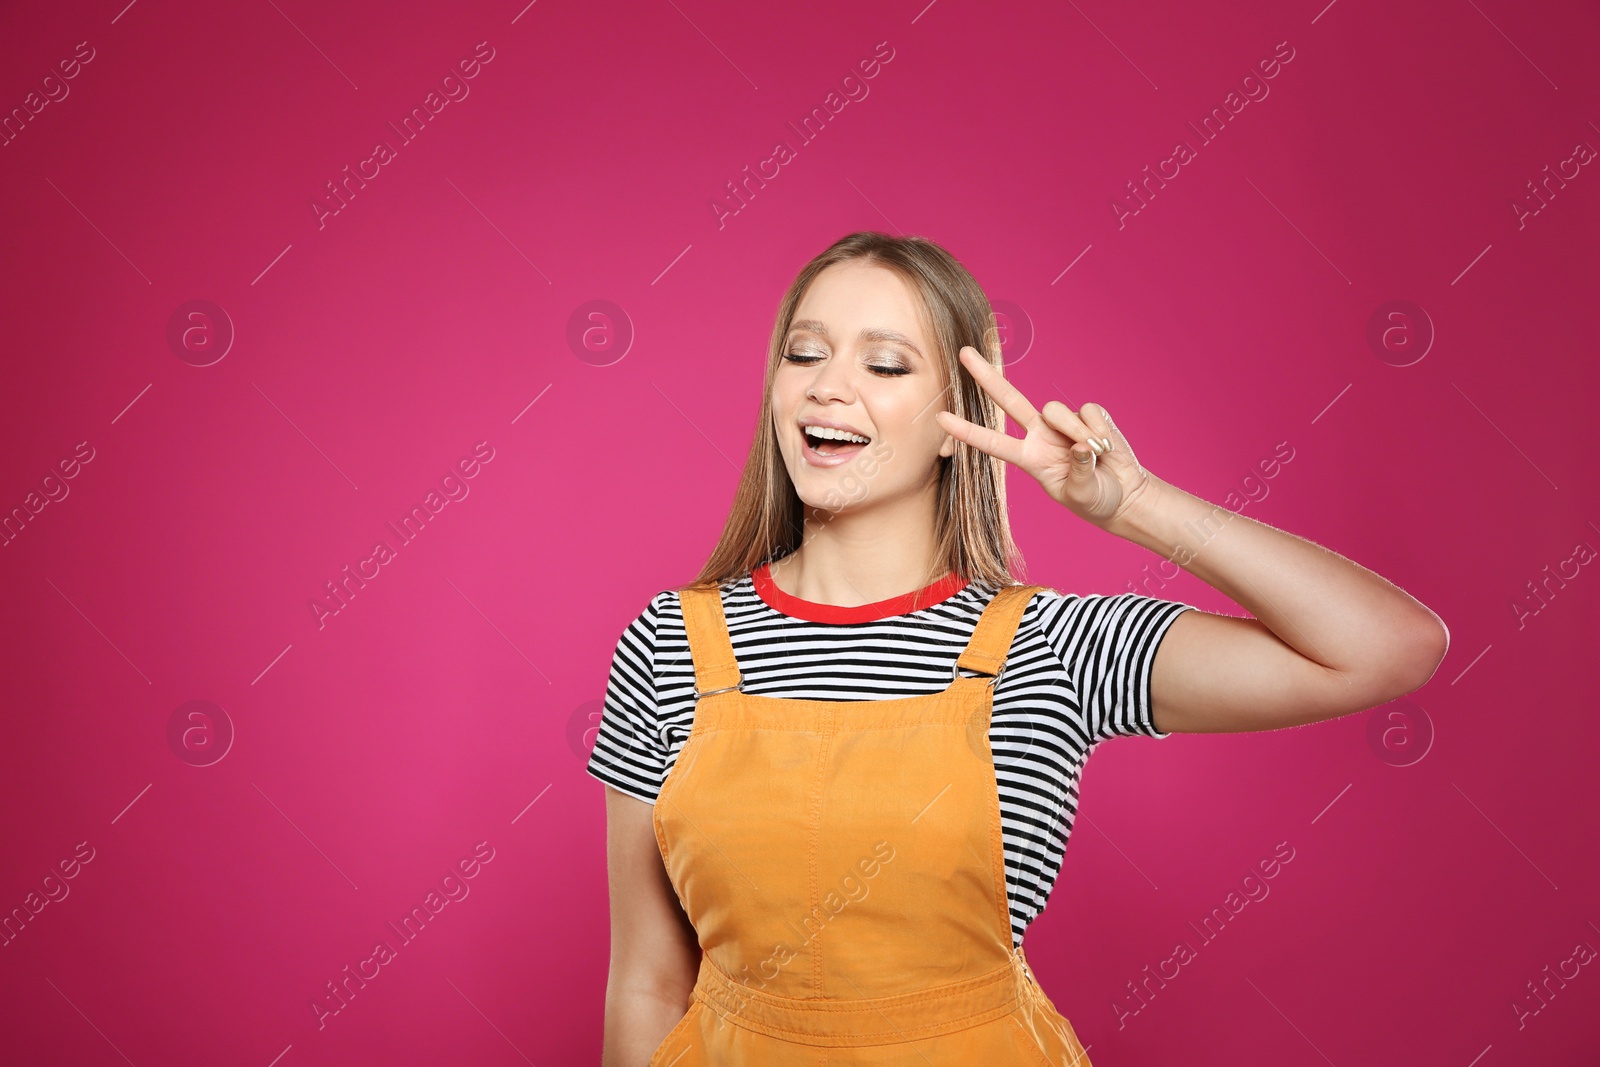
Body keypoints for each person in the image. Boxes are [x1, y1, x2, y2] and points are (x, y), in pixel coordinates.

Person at [585, 231, 1448, 1065]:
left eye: (884, 365)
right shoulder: (672, 642)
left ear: (957, 420)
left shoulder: (1054, 646)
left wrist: (1134, 504)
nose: (829, 388)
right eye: (805, 353)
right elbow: (648, 989)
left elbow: (1386, 647)